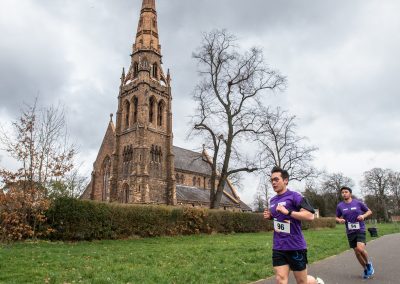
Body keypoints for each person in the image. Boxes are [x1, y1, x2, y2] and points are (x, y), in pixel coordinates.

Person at [263, 166, 318, 284]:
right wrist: (270, 217)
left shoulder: (295, 196)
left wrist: (288, 212)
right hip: (279, 246)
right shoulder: (272, 200)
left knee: (302, 281)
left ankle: (316, 282)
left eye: (276, 179)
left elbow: (310, 216)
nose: (273, 182)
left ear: (286, 180)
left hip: (295, 246)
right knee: (280, 279)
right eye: (272, 180)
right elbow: (279, 219)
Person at [336, 186, 374, 279]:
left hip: (360, 229)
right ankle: (365, 268)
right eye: (342, 192)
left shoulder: (358, 203)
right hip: (350, 231)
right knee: (357, 252)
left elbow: (369, 211)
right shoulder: (340, 206)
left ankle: (369, 264)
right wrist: (339, 220)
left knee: (360, 249)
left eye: (346, 192)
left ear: (350, 193)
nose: (344, 193)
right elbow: (336, 217)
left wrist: (363, 216)